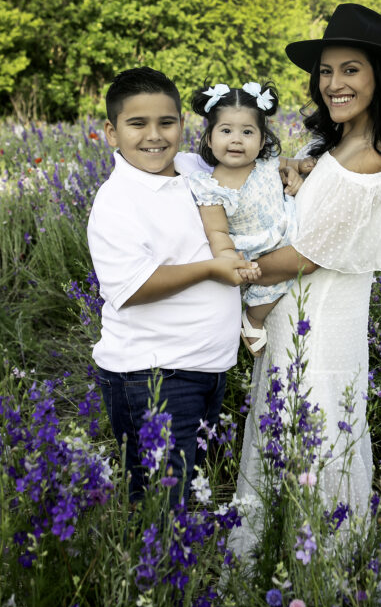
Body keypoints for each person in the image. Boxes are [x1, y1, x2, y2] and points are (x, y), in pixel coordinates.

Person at [230, 3, 381, 559]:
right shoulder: (335, 146)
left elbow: (302, 256)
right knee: (292, 445)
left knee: (314, 449)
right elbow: (308, 202)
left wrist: (224, 272)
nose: (334, 84)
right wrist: (295, 168)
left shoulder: (367, 159)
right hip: (297, 323)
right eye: (325, 71)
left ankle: (315, 580)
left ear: (378, 78)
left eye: (350, 70)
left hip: (317, 336)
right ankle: (282, 567)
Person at [87, 66, 259, 508]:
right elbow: (135, 286)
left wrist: (289, 168)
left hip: (205, 368)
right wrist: (210, 268)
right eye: (137, 124)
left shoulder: (190, 167)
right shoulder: (116, 201)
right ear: (111, 132)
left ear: (183, 125)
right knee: (164, 506)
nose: (154, 136)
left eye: (166, 122)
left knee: (188, 492)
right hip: (152, 375)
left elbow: (242, 166)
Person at [188, 81, 314, 356]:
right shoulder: (211, 188)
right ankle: (253, 318)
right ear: (209, 139)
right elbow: (218, 233)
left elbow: (288, 163)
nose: (236, 139)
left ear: (261, 140)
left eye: (247, 131)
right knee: (271, 284)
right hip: (256, 249)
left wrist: (299, 166)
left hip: (287, 228)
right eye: (226, 131)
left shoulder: (267, 163)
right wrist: (229, 258)